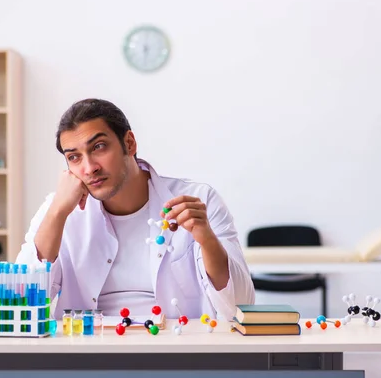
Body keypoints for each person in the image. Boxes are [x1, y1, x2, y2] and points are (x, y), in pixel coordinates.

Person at [15, 99, 255, 321]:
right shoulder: (58, 209)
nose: (89, 168)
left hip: (177, 352)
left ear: (129, 143)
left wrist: (207, 240)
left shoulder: (199, 201)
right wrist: (57, 213)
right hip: (87, 355)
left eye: (99, 147)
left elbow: (242, 306)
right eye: (75, 157)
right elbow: (20, 305)